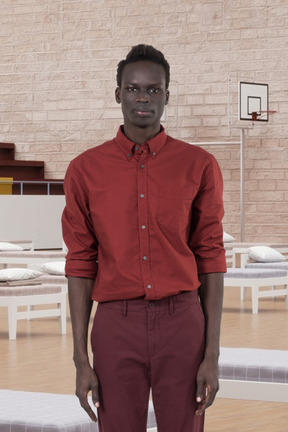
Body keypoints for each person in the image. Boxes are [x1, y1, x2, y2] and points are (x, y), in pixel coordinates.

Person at [62, 44, 226, 432]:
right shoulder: (85, 170)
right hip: (117, 325)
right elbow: (81, 261)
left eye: (154, 90)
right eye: (134, 88)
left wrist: (212, 354)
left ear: (167, 96)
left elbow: (211, 256)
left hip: (183, 322)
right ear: (119, 94)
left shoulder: (199, 165)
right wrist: (80, 359)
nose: (143, 97)